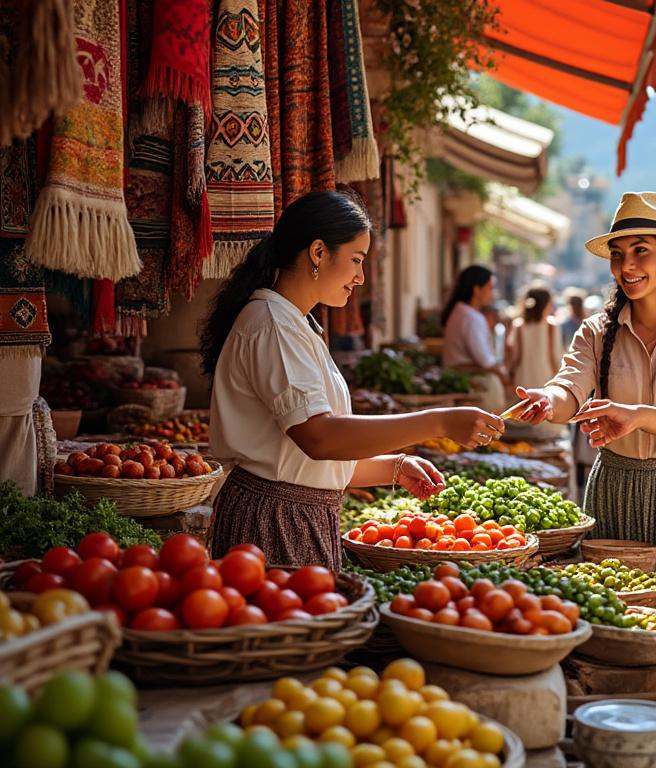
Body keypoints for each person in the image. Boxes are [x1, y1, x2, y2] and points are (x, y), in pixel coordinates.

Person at [201, 191, 503, 568]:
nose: (360, 277)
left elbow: (311, 462)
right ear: (318, 252)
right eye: (356, 260)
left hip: (295, 516)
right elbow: (319, 438)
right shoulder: (273, 326)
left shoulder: (294, 324)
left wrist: (394, 467)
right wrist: (438, 422)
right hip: (273, 522)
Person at [509, 192, 656, 627]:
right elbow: (569, 388)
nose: (626, 265)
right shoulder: (596, 331)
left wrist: (639, 415)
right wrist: (547, 400)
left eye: (640, 251)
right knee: (613, 620)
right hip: (612, 489)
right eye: (618, 254)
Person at [441, 265, 510, 413]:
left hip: (460, 380)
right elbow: (485, 360)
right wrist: (503, 376)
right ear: (477, 290)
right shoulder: (471, 317)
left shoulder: (461, 311)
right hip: (473, 385)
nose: (492, 294)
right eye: (490, 288)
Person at [506, 286, 560, 390]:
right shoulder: (551, 325)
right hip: (546, 380)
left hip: (522, 381)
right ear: (544, 304)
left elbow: (515, 356)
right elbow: (555, 356)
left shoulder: (519, 325)